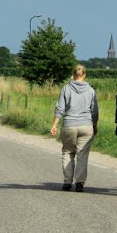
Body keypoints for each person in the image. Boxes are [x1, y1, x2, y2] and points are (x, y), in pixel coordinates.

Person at [50, 64, 98, 192]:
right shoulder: (91, 90)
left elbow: (60, 108)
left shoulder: (66, 89)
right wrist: (94, 125)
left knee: (68, 152)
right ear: (84, 75)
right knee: (82, 155)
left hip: (69, 124)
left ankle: (67, 182)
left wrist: (54, 124)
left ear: (73, 74)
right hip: (86, 125)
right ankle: (80, 183)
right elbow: (94, 111)